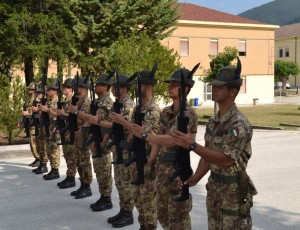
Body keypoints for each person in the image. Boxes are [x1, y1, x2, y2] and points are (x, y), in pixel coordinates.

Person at [174, 58, 257, 230]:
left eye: (219, 87)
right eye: (213, 86)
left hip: (233, 193)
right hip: (215, 190)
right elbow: (207, 155)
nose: (213, 89)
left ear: (233, 91)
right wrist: (194, 179)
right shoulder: (214, 122)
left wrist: (192, 146)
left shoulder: (238, 124)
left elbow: (226, 160)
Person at [131, 64, 199, 229]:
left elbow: (172, 139)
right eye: (170, 84)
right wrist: (151, 161)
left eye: (175, 85)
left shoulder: (188, 114)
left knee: (178, 218)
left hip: (176, 171)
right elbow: (158, 141)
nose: (170, 87)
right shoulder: (166, 111)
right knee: (162, 214)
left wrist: (145, 134)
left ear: (186, 89)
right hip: (162, 170)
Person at [113, 66, 161, 230]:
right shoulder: (140, 108)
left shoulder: (153, 109)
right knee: (138, 197)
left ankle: (150, 226)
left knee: (148, 199)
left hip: (146, 158)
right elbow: (133, 134)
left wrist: (123, 122)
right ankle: (142, 225)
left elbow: (144, 134)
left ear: (147, 86)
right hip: (136, 156)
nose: (137, 88)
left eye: (140, 85)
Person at [102, 73, 136, 228]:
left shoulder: (128, 104)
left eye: (116, 87)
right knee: (119, 181)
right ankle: (123, 209)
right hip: (118, 145)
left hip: (125, 147)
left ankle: (128, 213)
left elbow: (128, 126)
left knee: (126, 181)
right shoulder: (118, 103)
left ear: (124, 88)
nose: (114, 89)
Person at [85, 73, 114, 211]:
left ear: (106, 87)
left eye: (99, 84)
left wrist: (79, 113)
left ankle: (107, 199)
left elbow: (97, 119)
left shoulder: (106, 102)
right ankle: (103, 196)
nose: (96, 86)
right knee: (99, 170)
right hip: (97, 139)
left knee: (104, 171)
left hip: (103, 141)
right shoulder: (97, 101)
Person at [68, 76, 93, 199]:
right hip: (77, 132)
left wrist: (75, 111)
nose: (74, 88)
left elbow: (86, 118)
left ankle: (87, 186)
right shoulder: (79, 100)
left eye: (77, 86)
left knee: (84, 161)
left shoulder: (86, 101)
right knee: (79, 161)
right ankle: (82, 184)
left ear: (82, 88)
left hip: (83, 134)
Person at [56, 78, 77, 189]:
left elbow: (71, 117)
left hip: (70, 131)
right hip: (65, 131)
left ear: (70, 89)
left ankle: (71, 177)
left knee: (71, 156)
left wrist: (62, 113)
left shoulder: (72, 100)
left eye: (65, 87)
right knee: (67, 155)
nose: (63, 89)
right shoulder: (66, 100)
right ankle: (69, 176)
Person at [39, 80, 61, 180]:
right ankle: (53, 169)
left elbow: (57, 114)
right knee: (50, 149)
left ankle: (55, 170)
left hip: (55, 128)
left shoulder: (57, 101)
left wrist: (47, 110)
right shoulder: (50, 101)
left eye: (49, 90)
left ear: (55, 91)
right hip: (50, 128)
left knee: (54, 149)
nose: (47, 91)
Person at [23, 82, 40, 167]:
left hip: (34, 124)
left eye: (30, 89)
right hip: (30, 123)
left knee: (34, 143)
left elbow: (37, 113)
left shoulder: (36, 100)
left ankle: (39, 159)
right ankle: (37, 158)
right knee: (32, 143)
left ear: (33, 90)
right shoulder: (30, 99)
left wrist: (27, 114)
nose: (28, 90)